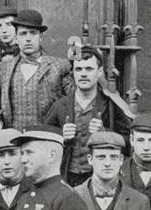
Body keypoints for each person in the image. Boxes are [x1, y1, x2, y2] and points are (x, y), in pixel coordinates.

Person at [42, 46, 131, 187]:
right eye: (79, 69)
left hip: (100, 178)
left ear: (99, 72)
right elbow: (44, 143)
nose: (83, 74)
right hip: (66, 177)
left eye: (89, 69)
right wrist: (61, 137)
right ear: (73, 74)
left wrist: (105, 134)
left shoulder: (111, 106)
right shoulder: (60, 106)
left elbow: (129, 143)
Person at [0, 9, 72, 132]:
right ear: (16, 37)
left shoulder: (59, 67)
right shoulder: (4, 69)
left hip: (47, 140)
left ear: (40, 36)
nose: (28, 38)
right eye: (23, 33)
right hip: (15, 141)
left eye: (33, 33)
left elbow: (75, 99)